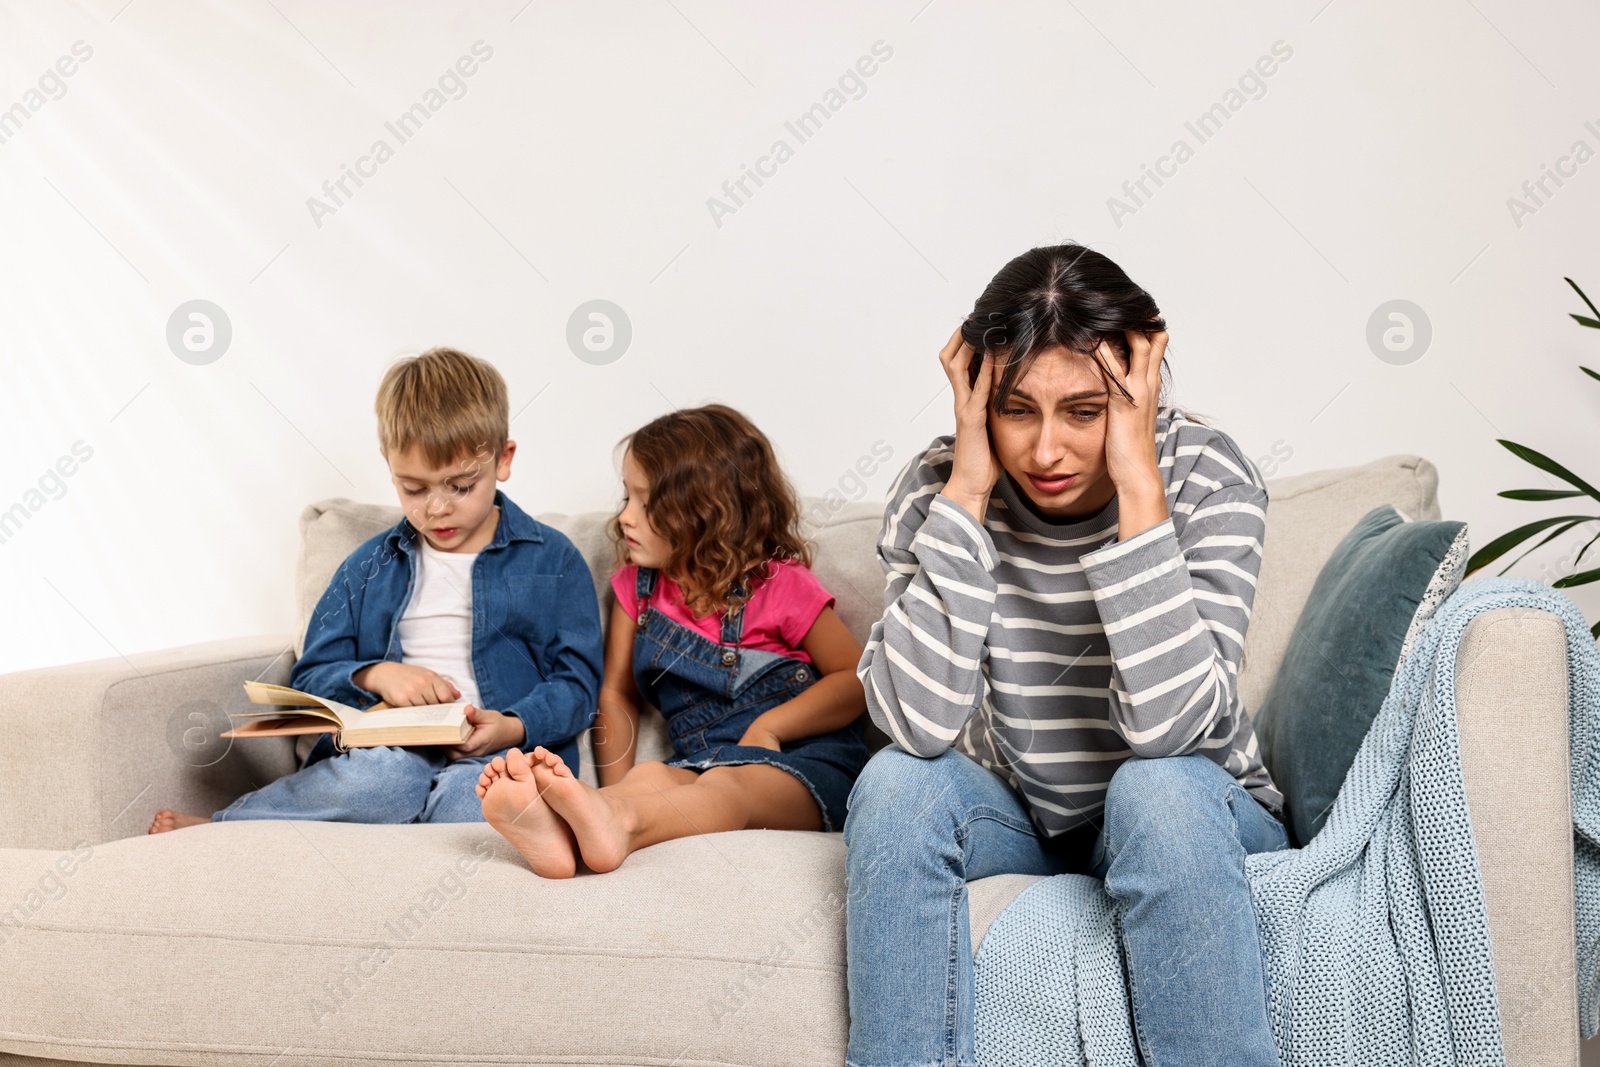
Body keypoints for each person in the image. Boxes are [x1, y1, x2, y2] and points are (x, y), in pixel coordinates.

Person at [844, 245, 1290, 1067]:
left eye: (1083, 411)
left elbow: (1173, 730)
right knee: (897, 783)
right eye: (1018, 410)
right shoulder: (939, 488)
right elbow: (912, 721)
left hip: (1192, 808)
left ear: (1137, 383)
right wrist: (968, 493)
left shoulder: (1205, 475)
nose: (1046, 451)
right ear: (978, 396)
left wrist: (1139, 488)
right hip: (1024, 819)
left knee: (1153, 789)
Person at [148, 347, 603, 832]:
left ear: (503, 459)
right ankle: (231, 825)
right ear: (389, 465)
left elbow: (577, 683)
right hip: (392, 752)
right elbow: (311, 677)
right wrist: (377, 675)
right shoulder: (367, 567)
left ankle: (427, 823)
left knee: (472, 801)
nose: (436, 508)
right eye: (413, 488)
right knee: (385, 783)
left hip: (500, 755)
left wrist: (513, 725)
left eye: (460, 486)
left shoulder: (553, 559)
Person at [476, 404, 869, 878]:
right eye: (627, 498)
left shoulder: (780, 583)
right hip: (701, 758)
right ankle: (577, 827)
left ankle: (618, 824)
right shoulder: (637, 591)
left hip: (803, 761)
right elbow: (618, 694)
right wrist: (607, 789)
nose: (625, 517)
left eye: (647, 504)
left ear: (708, 513)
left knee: (727, 789)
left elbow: (855, 679)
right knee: (651, 774)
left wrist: (772, 727)